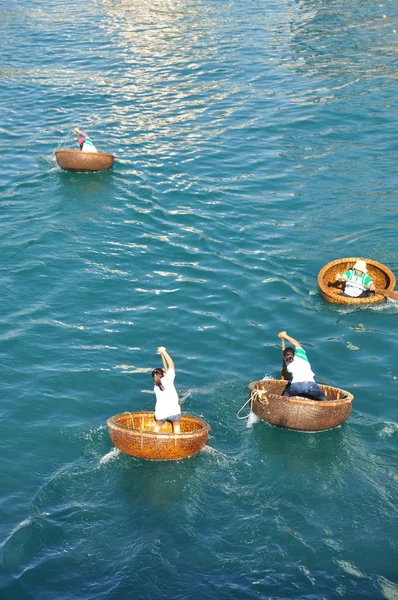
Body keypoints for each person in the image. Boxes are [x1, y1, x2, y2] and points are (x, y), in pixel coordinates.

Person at [278, 331, 328, 401]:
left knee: (285, 396)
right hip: (310, 385)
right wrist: (285, 335)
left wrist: (284, 363)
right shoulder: (301, 355)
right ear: (295, 353)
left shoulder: (288, 365)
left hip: (295, 387)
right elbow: (296, 343)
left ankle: (282, 403)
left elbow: (285, 362)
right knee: (323, 398)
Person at [152, 346, 181, 433]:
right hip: (174, 411)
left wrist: (161, 355)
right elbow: (171, 365)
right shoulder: (168, 379)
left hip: (161, 413)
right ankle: (177, 442)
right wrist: (164, 352)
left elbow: (166, 369)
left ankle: (152, 441)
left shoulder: (156, 386)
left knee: (157, 426)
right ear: (164, 373)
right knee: (176, 425)